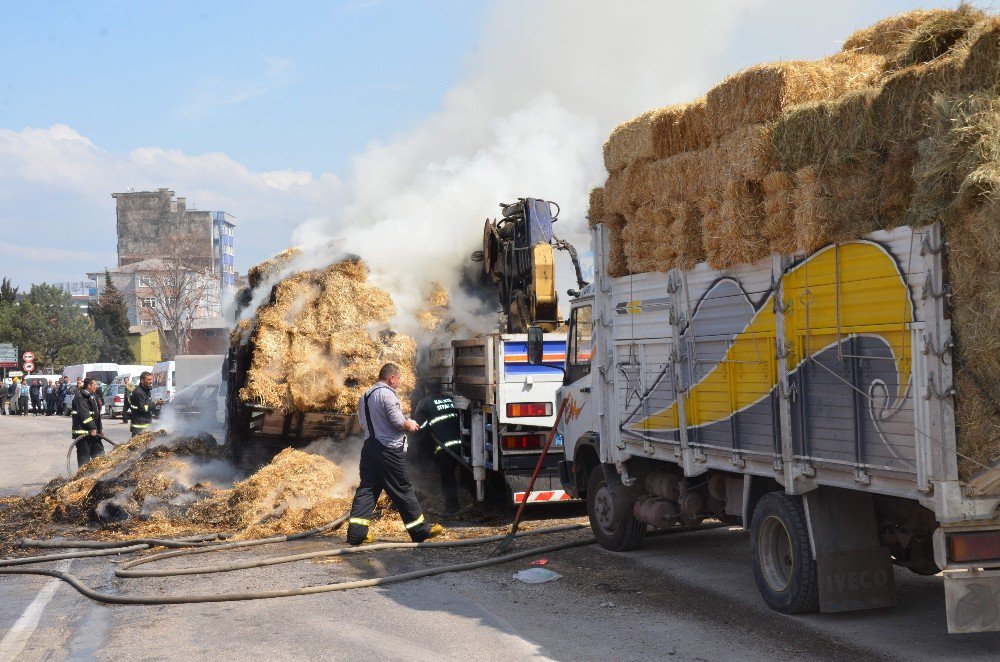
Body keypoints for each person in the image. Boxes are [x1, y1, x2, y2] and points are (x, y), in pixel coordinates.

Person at [346, 363, 444, 545]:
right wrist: (411, 424)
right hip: (388, 450)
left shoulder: (365, 395)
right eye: (398, 379)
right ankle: (420, 531)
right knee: (402, 488)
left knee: (367, 489)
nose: (399, 382)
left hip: (369, 448)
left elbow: (362, 422)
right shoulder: (388, 395)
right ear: (391, 378)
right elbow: (398, 422)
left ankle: (356, 534)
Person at [412, 383, 464, 516]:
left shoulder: (424, 403)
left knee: (447, 476)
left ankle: (452, 508)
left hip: (444, 446)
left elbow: (419, 426)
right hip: (461, 443)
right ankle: (473, 500)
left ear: (427, 389)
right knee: (462, 472)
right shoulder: (450, 399)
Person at [71, 378, 104, 468]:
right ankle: (82, 478)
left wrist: (99, 429)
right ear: (89, 385)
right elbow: (84, 415)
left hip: (94, 432)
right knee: (84, 458)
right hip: (83, 432)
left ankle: (99, 476)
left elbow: (96, 416)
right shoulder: (80, 397)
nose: (97, 386)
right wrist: (92, 428)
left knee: (99, 455)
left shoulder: (93, 396)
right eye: (95, 384)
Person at [127, 371, 162, 437]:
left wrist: (156, 404)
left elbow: (147, 403)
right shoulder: (139, 392)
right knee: (138, 446)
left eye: (151, 379)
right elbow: (143, 408)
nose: (151, 381)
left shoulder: (145, 391)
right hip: (140, 426)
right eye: (148, 380)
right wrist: (155, 403)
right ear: (142, 381)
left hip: (144, 423)